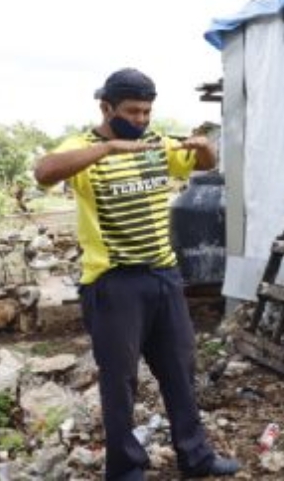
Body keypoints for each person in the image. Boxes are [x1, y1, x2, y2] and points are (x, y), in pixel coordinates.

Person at [34, 68, 240, 480]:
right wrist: (109, 149)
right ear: (106, 108)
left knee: (181, 368)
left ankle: (196, 458)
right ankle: (126, 470)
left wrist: (203, 148)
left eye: (148, 111)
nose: (142, 119)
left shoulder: (153, 143)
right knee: (120, 381)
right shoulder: (84, 147)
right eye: (133, 111)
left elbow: (202, 163)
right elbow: (44, 172)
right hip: (113, 282)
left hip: (163, 275)